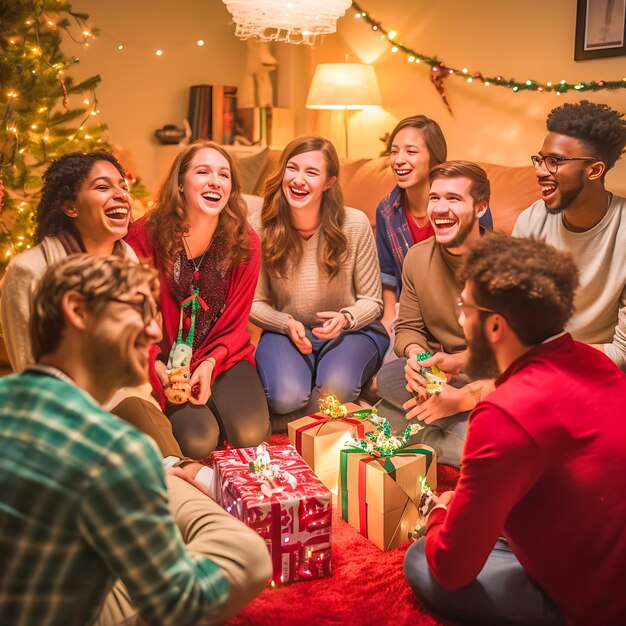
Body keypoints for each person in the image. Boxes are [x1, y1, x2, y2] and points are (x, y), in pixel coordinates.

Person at [0, 254, 271, 626]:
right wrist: (155, 482)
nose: (156, 333)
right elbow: (188, 597)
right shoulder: (114, 449)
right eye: (139, 309)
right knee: (246, 554)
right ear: (77, 310)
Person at [404, 233, 626, 626]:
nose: (459, 319)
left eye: (464, 308)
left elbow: (452, 569)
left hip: (593, 604)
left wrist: (440, 513)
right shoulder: (595, 360)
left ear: (495, 327)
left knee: (423, 559)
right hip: (598, 546)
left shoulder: (504, 414)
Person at [0, 151, 189, 463]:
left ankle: (178, 471)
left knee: (145, 419)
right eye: (102, 187)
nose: (120, 195)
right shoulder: (29, 272)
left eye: (123, 187)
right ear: (70, 206)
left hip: (126, 402)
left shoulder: (127, 259)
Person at [126, 140, 270, 458]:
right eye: (202, 171)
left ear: (231, 189)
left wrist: (209, 364)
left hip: (221, 353)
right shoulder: (142, 239)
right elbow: (131, 321)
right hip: (164, 361)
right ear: (180, 182)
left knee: (251, 434)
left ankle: (219, 407)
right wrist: (159, 370)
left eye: (223, 175)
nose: (214, 181)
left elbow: (236, 323)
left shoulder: (246, 243)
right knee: (198, 440)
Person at [250, 135, 389, 429]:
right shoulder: (260, 224)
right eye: (292, 168)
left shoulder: (354, 223)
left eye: (311, 172)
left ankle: (293, 418)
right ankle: (342, 409)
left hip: (352, 332)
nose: (298, 179)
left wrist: (345, 318)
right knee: (284, 397)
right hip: (286, 332)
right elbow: (255, 303)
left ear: (329, 181)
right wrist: (285, 323)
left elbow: (373, 301)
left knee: (334, 392)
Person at [376, 161, 493, 467]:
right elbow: (409, 328)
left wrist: (461, 391)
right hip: (439, 375)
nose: (440, 208)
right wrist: (416, 358)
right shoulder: (416, 258)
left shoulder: (506, 261)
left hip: (492, 376)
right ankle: (453, 426)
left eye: (454, 199)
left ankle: (425, 431)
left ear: (480, 208)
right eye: (434, 198)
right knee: (389, 374)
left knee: (384, 417)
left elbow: (515, 357)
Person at [513, 100, 626, 371]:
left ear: (595, 170)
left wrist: (542, 357)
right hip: (534, 364)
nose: (539, 171)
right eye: (540, 159)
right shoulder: (531, 221)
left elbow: (622, 353)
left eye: (554, 162)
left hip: (599, 370)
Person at [375, 115, 492, 335]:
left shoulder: (470, 208)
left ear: (435, 158)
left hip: (460, 314)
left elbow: (486, 260)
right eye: (394, 151)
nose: (398, 160)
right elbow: (387, 273)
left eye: (410, 151)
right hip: (410, 314)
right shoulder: (386, 210)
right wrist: (389, 319)